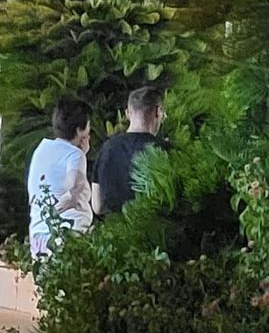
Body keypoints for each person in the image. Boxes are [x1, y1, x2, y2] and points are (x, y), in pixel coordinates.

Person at [26, 97, 93, 256]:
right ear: (79, 130)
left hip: (39, 238)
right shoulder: (74, 156)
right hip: (65, 237)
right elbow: (71, 191)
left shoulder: (41, 149)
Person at [92, 86, 167, 216]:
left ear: (127, 114)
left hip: (113, 230)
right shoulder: (164, 150)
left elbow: (97, 206)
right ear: (157, 112)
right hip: (153, 227)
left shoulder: (107, 148)